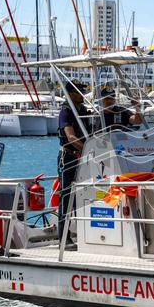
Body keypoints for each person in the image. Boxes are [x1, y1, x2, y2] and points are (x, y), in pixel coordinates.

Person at [57, 80, 90, 240]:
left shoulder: (83, 110)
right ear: (70, 94)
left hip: (84, 157)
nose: (83, 95)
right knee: (66, 196)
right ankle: (63, 237)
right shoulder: (66, 111)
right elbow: (70, 137)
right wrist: (88, 150)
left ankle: (84, 233)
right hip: (69, 157)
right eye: (79, 92)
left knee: (84, 194)